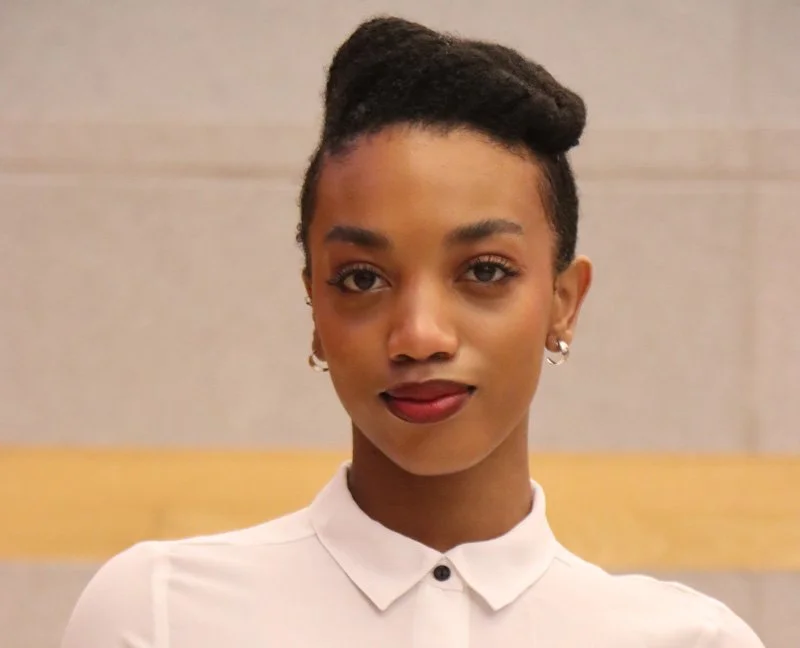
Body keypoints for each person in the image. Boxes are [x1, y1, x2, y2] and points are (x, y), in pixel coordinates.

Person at [61, 16, 765, 647]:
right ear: (315, 307)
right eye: (362, 279)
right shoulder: (159, 615)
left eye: (484, 271)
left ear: (564, 302)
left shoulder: (691, 641)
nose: (419, 335)